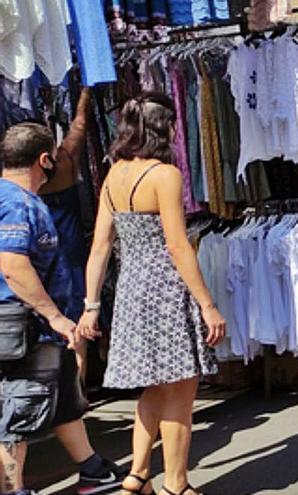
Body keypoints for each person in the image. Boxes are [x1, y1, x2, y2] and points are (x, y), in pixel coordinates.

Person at [77, 93, 226, 495]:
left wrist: (91, 306)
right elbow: (177, 246)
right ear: (164, 129)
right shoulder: (164, 175)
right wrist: (208, 305)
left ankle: (137, 475)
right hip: (166, 288)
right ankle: (175, 484)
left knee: (154, 387)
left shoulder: (114, 174)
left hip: (131, 289)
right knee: (180, 387)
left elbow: (100, 248)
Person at [0, 123, 124, 495]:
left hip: (40, 328)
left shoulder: (14, 198)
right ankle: (13, 489)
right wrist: (53, 315)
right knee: (17, 410)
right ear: (44, 160)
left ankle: (92, 469)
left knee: (63, 394)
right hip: (21, 325)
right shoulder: (16, 203)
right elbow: (13, 265)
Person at [39, 87, 92, 379]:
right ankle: (78, 385)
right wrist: (85, 91)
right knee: (75, 318)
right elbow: (80, 125)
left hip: (40, 261)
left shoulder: (24, 181)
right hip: (70, 258)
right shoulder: (67, 162)